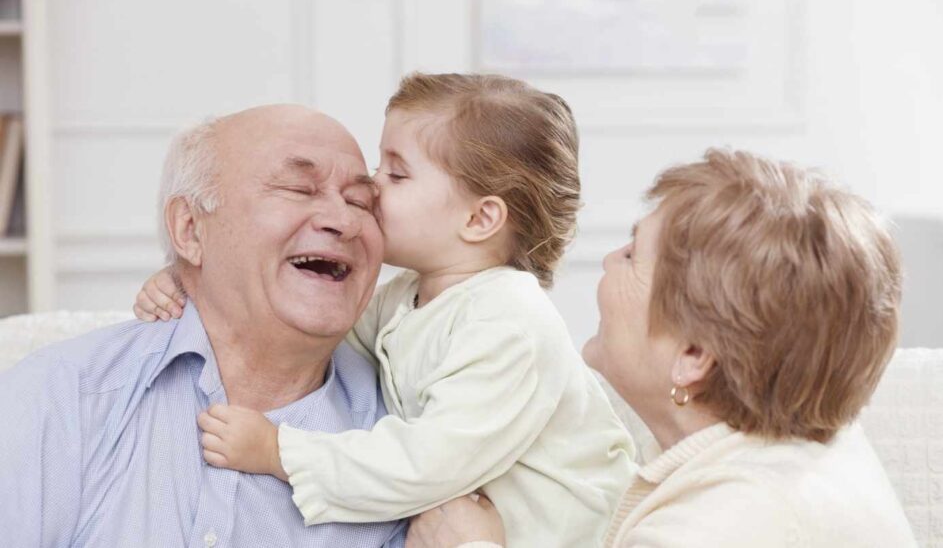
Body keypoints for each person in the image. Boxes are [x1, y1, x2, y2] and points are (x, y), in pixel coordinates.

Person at [134, 73, 638, 548]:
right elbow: (311, 328)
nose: (373, 187)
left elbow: (427, 465)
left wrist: (279, 452)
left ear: (480, 218)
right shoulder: (407, 297)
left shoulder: (511, 320)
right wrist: (193, 279)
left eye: (396, 173)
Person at [406, 148, 919, 547]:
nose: (608, 260)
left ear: (693, 355)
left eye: (632, 255)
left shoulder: (725, 522)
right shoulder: (801, 447)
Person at [0, 104, 406, 546]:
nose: (344, 221)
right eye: (297, 188)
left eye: (359, 201)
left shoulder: (411, 438)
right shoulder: (61, 399)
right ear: (191, 230)